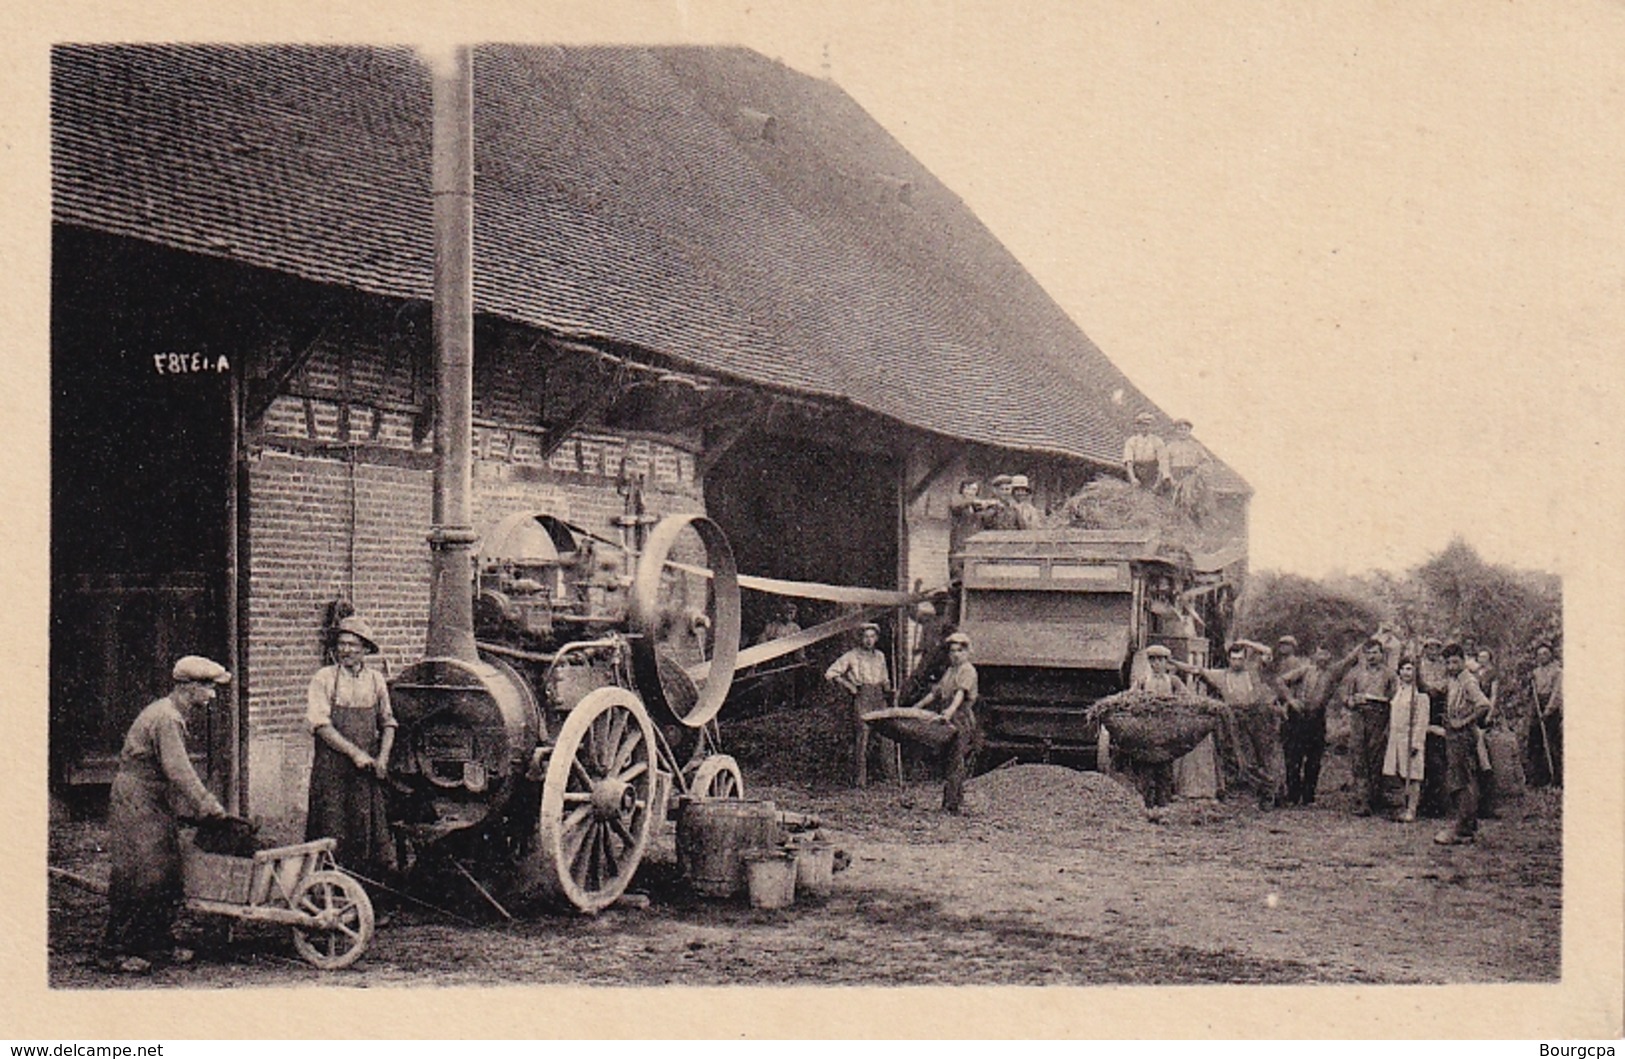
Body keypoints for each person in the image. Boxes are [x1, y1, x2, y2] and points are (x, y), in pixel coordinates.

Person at [99, 656, 233, 974]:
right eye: (208, 687)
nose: (213, 695)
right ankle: (114, 950)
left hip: (154, 796)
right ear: (188, 688)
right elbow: (178, 770)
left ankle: (156, 942)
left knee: (168, 868)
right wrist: (206, 803)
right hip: (137, 797)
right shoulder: (167, 718)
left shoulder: (173, 713)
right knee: (139, 871)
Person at [306, 615, 397, 884]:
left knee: (367, 832)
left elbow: (388, 722)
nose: (346, 650)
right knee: (331, 831)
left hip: (366, 771)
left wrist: (382, 757)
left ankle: (368, 898)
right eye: (342, 644)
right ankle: (324, 893)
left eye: (353, 645)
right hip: (332, 770)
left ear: (366, 650)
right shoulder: (324, 678)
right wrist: (354, 753)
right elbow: (321, 725)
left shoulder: (376, 680)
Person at [1175, 640, 1282, 808]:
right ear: (1228, 659)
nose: (1236, 662)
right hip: (1236, 717)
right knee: (1244, 759)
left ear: (1245, 659)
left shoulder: (1253, 670)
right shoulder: (1221, 675)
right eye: (1233, 659)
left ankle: (1272, 793)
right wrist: (1172, 662)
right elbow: (1195, 669)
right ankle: (1265, 790)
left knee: (1265, 755)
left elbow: (1268, 651)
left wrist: (1247, 643)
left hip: (1257, 716)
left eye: (1240, 659)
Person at [1273, 641, 1361, 807]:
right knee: (1293, 758)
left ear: (1330, 657)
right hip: (1297, 717)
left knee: (1314, 759)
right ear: (1315, 655)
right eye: (1320, 653)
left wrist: (1379, 635)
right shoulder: (1305, 670)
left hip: (1316, 718)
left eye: (1326, 654)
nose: (1322, 657)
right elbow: (1280, 681)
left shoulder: (1333, 672)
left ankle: (1308, 797)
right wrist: (1291, 700)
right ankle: (1293, 795)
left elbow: (1351, 658)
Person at [909, 631, 980, 813]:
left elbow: (959, 695)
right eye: (952, 651)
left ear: (967, 652)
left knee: (956, 758)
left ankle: (952, 805)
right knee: (949, 758)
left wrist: (948, 712)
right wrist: (916, 707)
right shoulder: (950, 671)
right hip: (949, 715)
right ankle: (954, 800)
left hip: (961, 716)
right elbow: (935, 693)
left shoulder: (968, 670)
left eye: (959, 651)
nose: (955, 655)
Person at [824, 622, 898, 788]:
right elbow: (830, 673)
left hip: (879, 697)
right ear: (860, 638)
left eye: (872, 637)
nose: (869, 640)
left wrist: (891, 689)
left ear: (876, 638)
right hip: (863, 696)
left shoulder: (880, 655)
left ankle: (891, 778)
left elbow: (885, 678)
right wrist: (849, 686)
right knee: (862, 737)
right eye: (865, 636)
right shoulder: (852, 655)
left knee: (887, 737)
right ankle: (860, 780)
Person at [1435, 643, 1494, 845]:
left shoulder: (1468, 680)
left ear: (1463, 660)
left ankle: (1462, 829)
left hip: (1463, 734)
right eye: (1448, 662)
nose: (1451, 666)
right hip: (1453, 733)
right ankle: (1468, 822)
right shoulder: (1454, 679)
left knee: (1461, 779)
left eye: (1455, 662)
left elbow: (1484, 704)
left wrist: (1464, 721)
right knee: (1459, 777)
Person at [1340, 636, 1399, 817]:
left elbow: (1395, 697)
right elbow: (1344, 694)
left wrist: (1386, 707)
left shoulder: (1389, 674)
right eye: (1368, 653)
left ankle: (1376, 798)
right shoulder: (1356, 673)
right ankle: (1362, 800)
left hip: (1379, 715)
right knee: (1359, 756)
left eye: (1375, 652)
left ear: (1382, 654)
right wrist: (1350, 701)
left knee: (1376, 755)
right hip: (1359, 715)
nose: (1372, 656)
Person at [1129, 645, 1191, 805]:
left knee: (1165, 770)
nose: (1156, 664)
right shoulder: (1143, 681)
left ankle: (1164, 805)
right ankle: (1147, 806)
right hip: (1148, 731)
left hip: (1167, 731)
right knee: (1146, 770)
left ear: (1166, 663)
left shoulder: (1173, 681)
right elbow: (1130, 699)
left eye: (1160, 660)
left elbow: (1187, 699)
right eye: (1153, 660)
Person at [1383, 659, 1430, 822]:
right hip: (1396, 738)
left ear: (1416, 672)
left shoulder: (1420, 694)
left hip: (1410, 738)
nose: (1406, 673)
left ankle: (1411, 810)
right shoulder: (1399, 690)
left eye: (1409, 669)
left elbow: (1422, 721)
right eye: (1403, 669)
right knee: (1398, 772)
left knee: (1413, 774)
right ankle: (1400, 807)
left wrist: (1416, 743)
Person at [1415, 637, 1452, 817]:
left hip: (1439, 707)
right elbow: (1418, 683)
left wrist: (1437, 689)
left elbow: (1447, 682)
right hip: (1422, 704)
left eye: (1437, 648)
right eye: (1430, 648)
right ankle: (1421, 799)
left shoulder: (1444, 665)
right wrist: (1427, 689)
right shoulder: (1418, 665)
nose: (1433, 651)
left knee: (1437, 756)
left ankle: (1438, 802)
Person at [1528, 641, 1563, 788]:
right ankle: (1538, 778)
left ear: (1551, 655)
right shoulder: (1536, 672)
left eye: (1545, 654)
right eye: (1539, 654)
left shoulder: (1557, 671)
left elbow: (1557, 694)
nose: (1542, 656)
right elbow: (1532, 694)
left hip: (1551, 709)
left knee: (1552, 744)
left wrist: (1547, 711)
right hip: (1537, 706)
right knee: (1535, 743)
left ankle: (1556, 779)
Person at [947, 480, 993, 581]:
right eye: (967, 488)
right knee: (957, 576)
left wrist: (990, 506)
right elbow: (955, 506)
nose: (970, 492)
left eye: (973, 489)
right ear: (962, 490)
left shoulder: (978, 507)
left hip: (975, 546)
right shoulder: (956, 501)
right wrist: (973, 501)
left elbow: (987, 520)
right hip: (958, 545)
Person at [1122, 411, 1169, 491]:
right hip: (1135, 473)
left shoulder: (1157, 441)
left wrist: (1157, 483)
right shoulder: (1132, 441)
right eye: (1141, 425)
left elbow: (1162, 463)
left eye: (1147, 425)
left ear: (1151, 427)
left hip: (1152, 474)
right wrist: (1133, 479)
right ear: (1137, 427)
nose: (1144, 428)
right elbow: (1129, 462)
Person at [1164, 418, 1208, 483]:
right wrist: (1169, 476)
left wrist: (1198, 471)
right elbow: (1165, 462)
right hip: (1175, 475)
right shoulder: (1170, 446)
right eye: (1180, 429)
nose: (1183, 432)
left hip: (1191, 476)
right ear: (1176, 431)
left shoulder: (1195, 446)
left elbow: (1206, 461)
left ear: (1189, 431)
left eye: (1186, 430)